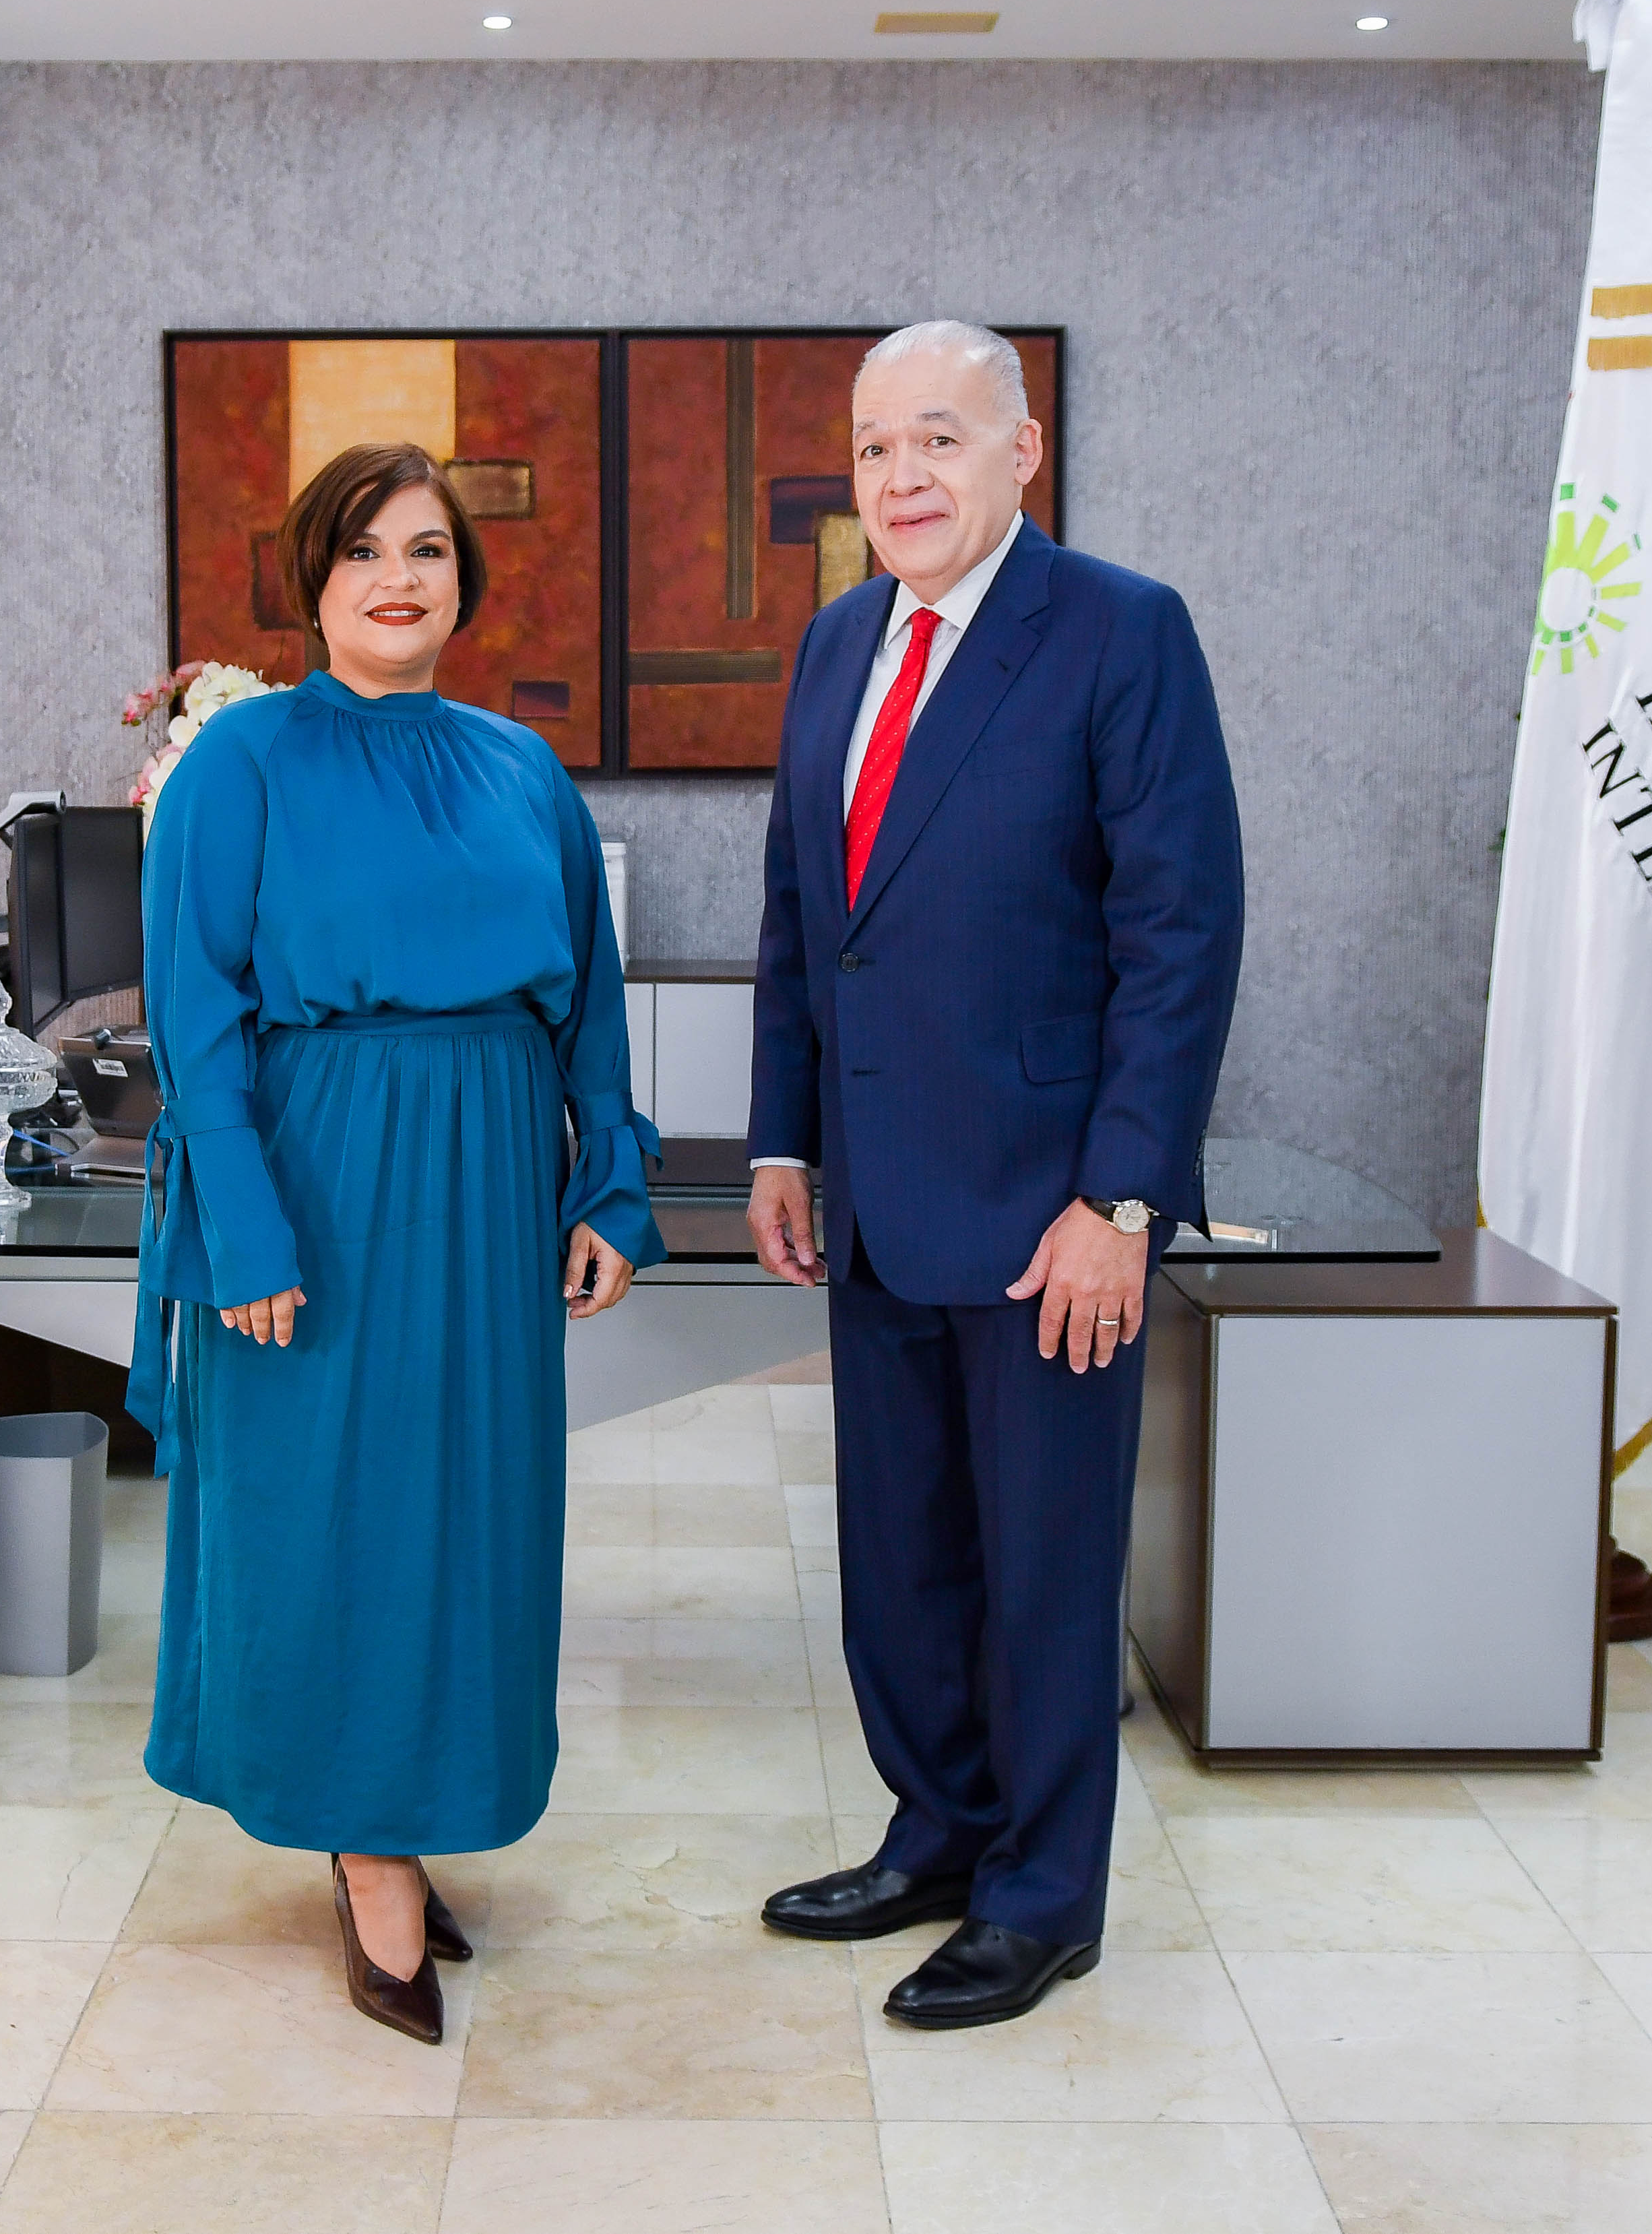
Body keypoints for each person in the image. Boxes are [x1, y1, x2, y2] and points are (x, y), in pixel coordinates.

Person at [127, 441, 665, 2045]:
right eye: (364, 549)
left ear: (461, 582)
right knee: (329, 1515)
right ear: (314, 579)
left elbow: (588, 1002)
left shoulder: (519, 769)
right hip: (320, 1176)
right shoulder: (238, 763)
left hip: (488, 1187)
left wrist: (608, 1184)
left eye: (426, 550)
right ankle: (365, 1850)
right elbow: (192, 1013)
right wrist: (243, 1224)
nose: (397, 578)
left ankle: (412, 1811)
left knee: (463, 1518)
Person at [747, 322, 1242, 2028]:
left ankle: (1041, 1898)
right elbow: (803, 919)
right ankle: (939, 1833)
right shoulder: (835, 642)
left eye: (938, 439)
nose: (900, 477)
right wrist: (783, 1140)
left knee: (1040, 1572)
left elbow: (1178, 934)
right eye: (874, 446)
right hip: (876, 1206)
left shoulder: (1118, 630)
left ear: (1020, 453)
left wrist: (1120, 1203)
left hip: (1047, 1217)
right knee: (900, 1563)